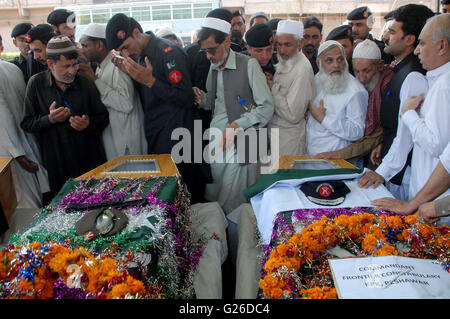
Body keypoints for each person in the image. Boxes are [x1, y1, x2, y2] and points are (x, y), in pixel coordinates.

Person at [105, 13, 211, 204]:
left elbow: (187, 97)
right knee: (168, 199)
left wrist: (150, 80)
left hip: (182, 139)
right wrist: (131, 75)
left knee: (191, 201)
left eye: (126, 47)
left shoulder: (168, 52)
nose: (126, 55)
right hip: (158, 137)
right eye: (121, 52)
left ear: (137, 33)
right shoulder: (139, 57)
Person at [366, 13, 450, 210]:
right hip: (427, 195)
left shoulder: (444, 85)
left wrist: (408, 114)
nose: (417, 51)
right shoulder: (437, 80)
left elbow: (436, 146)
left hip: (434, 201)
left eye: (422, 43)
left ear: (442, 46)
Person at [195, 15, 274, 214]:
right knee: (216, 197)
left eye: (211, 50)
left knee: (237, 204)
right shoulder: (213, 68)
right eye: (205, 51)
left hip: (246, 143)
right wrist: (200, 98)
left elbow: (266, 107)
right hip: (218, 143)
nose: (208, 56)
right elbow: (215, 102)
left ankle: (240, 243)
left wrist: (237, 125)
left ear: (227, 42)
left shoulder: (249, 65)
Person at [358, 4, 435, 201]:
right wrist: (384, 144)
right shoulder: (402, 69)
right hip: (395, 164)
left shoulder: (413, 75)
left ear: (409, 39)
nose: (385, 37)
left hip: (405, 172)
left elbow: (406, 135)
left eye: (392, 32)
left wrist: (381, 172)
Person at [21, 36, 109, 197]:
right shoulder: (36, 84)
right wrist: (50, 119)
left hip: (88, 161)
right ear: (50, 64)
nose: (72, 71)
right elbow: (27, 123)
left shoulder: (85, 83)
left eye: (75, 65)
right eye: (65, 66)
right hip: (57, 163)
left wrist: (87, 124)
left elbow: (103, 118)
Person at [318, 40, 393, 168]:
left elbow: (375, 136)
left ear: (380, 65)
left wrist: (340, 154)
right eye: (357, 71)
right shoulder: (356, 85)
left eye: (366, 71)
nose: (361, 78)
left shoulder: (388, 88)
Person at [79, 23, 147, 161]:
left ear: (99, 45)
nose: (83, 51)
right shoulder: (100, 68)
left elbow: (126, 104)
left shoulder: (118, 65)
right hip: (113, 138)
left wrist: (96, 81)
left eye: (85, 46)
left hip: (127, 141)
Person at [0, 60, 49, 208]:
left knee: (21, 209)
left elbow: (3, 117)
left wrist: (18, 154)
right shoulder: (11, 67)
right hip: (27, 143)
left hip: (12, 154)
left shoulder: (10, 68)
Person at [306, 40, 368, 156]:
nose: (336, 65)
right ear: (319, 63)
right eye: (329, 60)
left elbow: (357, 132)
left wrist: (324, 119)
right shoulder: (316, 80)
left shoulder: (356, 91)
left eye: (340, 59)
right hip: (310, 156)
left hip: (335, 162)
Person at [267, 20, 315, 158]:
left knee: (284, 178)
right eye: (279, 44)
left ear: (300, 43)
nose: (282, 50)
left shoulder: (302, 69)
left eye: (288, 45)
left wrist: (272, 88)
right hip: (277, 135)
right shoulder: (288, 61)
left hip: (289, 141)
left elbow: (293, 115)